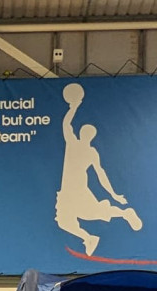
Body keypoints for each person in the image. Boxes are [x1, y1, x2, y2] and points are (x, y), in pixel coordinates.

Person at [55, 82, 142, 256]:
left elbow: (101, 175)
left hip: (78, 190)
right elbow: (66, 126)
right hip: (67, 191)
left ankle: (125, 214)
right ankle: (88, 238)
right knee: (64, 221)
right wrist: (74, 107)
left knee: (93, 214)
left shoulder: (85, 150)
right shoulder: (76, 145)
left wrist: (74, 107)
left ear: (87, 135)